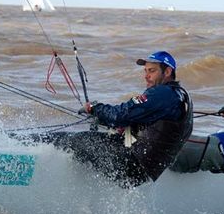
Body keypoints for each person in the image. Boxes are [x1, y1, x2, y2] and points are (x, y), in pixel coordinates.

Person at [75, 50, 194, 186]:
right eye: (145, 71)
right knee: (91, 141)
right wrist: (115, 123)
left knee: (64, 142)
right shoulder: (181, 95)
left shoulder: (163, 94)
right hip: (142, 171)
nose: (146, 76)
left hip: (130, 164)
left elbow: (120, 115)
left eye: (152, 71)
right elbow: (141, 119)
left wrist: (94, 109)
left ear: (167, 72)